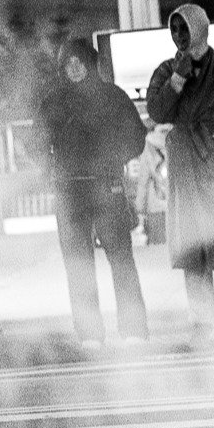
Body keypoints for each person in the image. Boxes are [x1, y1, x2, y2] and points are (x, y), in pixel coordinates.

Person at [146, 3, 214, 344]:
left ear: (199, 28)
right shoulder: (167, 69)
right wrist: (177, 80)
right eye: (175, 29)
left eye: (185, 28)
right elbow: (157, 110)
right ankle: (203, 323)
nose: (180, 36)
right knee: (192, 247)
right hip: (185, 164)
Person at [37, 38, 149, 347]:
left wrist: (114, 158)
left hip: (106, 187)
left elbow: (136, 138)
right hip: (69, 191)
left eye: (79, 62)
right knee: (78, 266)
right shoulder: (53, 101)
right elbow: (35, 141)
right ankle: (89, 333)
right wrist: (49, 165)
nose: (74, 69)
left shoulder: (112, 97)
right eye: (68, 64)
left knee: (121, 260)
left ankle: (134, 330)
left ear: (90, 63)